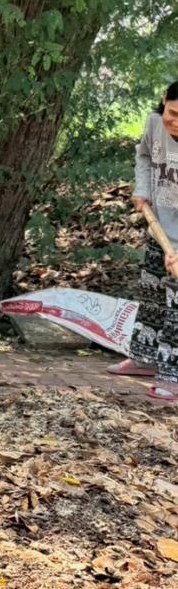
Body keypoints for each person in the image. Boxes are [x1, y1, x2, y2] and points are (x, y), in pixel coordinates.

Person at [111, 82, 178, 400]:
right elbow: (145, 158)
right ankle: (146, 357)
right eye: (173, 113)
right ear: (164, 100)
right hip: (159, 226)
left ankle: (173, 374)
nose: (176, 123)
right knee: (152, 293)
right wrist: (142, 190)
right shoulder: (154, 124)